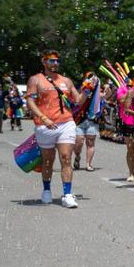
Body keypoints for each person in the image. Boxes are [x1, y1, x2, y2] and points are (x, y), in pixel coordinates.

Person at [25, 50, 83, 208]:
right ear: (44, 62)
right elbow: (30, 102)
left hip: (66, 123)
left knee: (65, 158)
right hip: (45, 125)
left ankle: (67, 195)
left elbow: (78, 101)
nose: (55, 63)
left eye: (57, 60)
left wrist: (89, 89)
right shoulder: (36, 80)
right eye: (51, 60)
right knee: (48, 161)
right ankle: (46, 190)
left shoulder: (66, 81)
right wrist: (43, 118)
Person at [74, 72, 100, 171]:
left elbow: (106, 96)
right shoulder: (82, 89)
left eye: (94, 79)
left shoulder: (97, 92)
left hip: (92, 120)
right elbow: (78, 102)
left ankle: (88, 164)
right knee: (78, 143)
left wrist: (109, 88)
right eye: (90, 78)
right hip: (80, 120)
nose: (93, 80)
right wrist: (87, 90)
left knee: (91, 143)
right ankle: (77, 156)